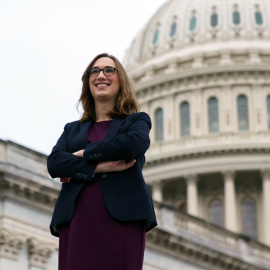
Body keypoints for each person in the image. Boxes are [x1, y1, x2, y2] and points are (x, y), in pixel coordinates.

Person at [47, 53, 157, 270]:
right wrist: (101, 166)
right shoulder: (72, 129)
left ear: (121, 80)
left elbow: (134, 144)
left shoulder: (136, 121)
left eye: (109, 70)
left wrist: (82, 154)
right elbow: (55, 164)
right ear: (88, 82)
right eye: (94, 71)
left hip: (122, 220)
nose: (101, 75)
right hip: (77, 220)